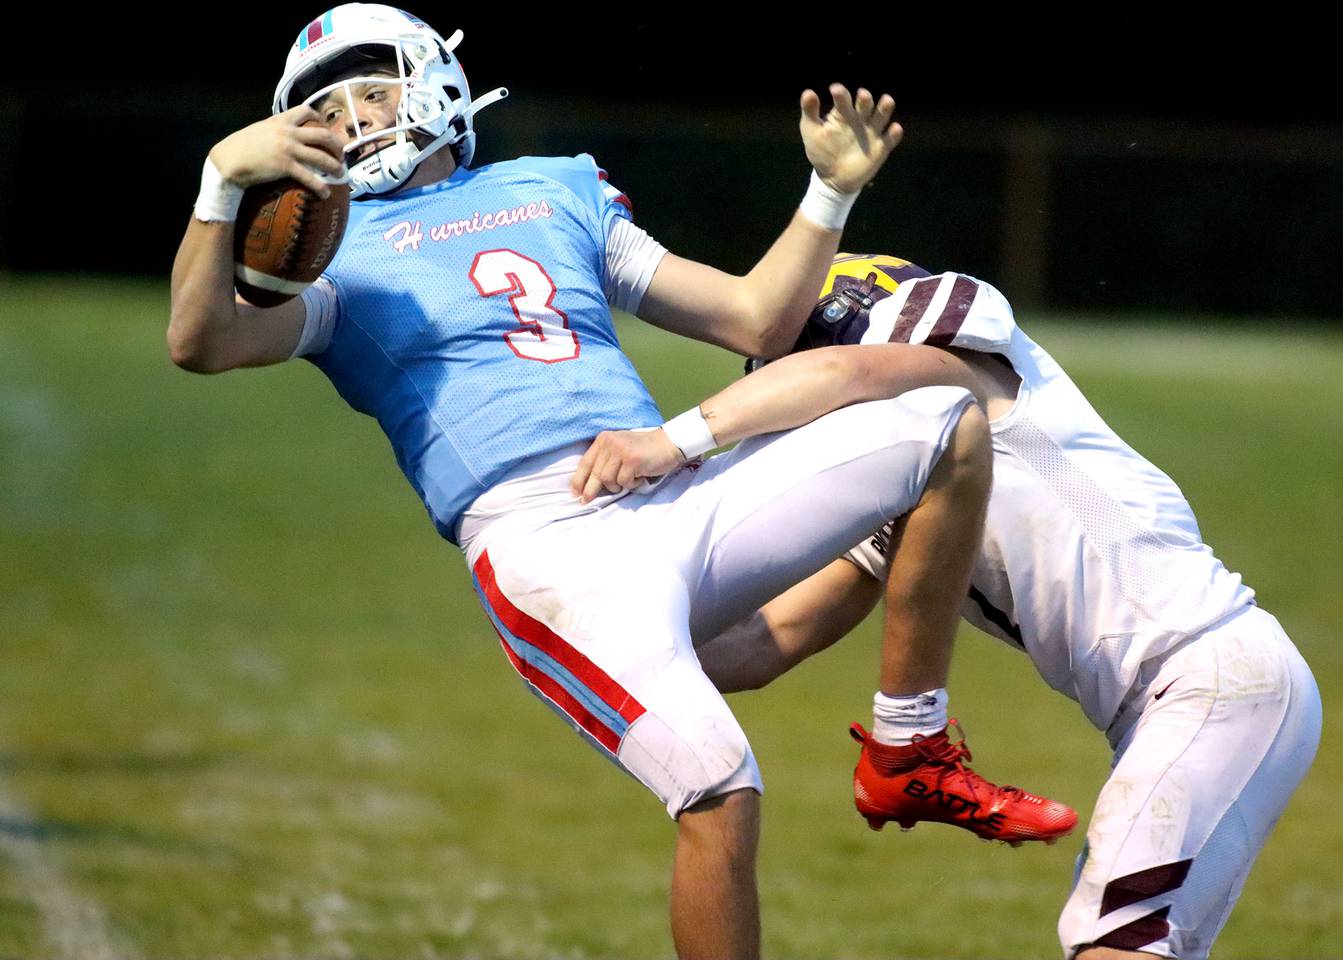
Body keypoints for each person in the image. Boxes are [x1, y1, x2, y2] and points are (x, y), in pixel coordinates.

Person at [166, 6, 1073, 956]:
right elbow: (201, 340)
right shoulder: (333, 254)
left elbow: (757, 318)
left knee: (943, 424)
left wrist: (828, 195)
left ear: (434, 80)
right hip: (545, 545)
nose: (352, 118)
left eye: (372, 88)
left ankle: (908, 741)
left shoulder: (552, 191)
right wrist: (221, 179)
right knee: (721, 784)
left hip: (669, 487)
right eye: (325, 108)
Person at [608, 255, 1321, 960]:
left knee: (1112, 942)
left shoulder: (962, 376)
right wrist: (605, 654)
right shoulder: (924, 483)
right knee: (1127, 942)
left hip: (1215, 674)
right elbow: (773, 639)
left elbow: (843, 374)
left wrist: (673, 442)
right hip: (1183, 695)